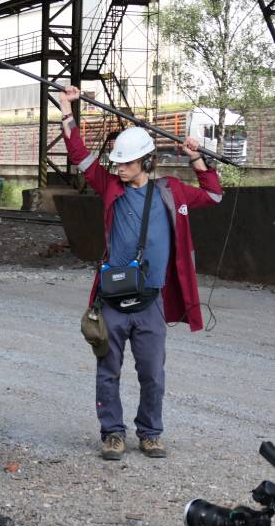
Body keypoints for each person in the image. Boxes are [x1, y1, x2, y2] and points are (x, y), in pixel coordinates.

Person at [59, 86, 223, 460]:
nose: (119, 167)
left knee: (152, 374)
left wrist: (196, 159)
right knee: (108, 371)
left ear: (146, 163)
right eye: (117, 162)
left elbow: (214, 194)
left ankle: (150, 432)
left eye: (127, 163)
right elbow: (80, 155)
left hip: (152, 302)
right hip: (112, 301)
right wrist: (67, 110)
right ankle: (112, 433)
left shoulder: (172, 192)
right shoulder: (110, 187)